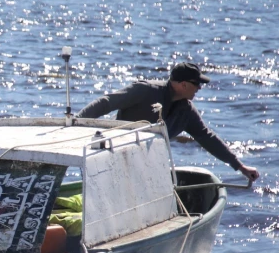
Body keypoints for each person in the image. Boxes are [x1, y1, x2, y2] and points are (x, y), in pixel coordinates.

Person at [76, 62, 260, 183]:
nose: (199, 89)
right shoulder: (145, 90)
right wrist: (76, 124)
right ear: (183, 85)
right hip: (117, 157)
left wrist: (239, 166)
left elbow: (206, 137)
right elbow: (106, 102)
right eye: (197, 84)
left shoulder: (186, 110)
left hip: (148, 164)